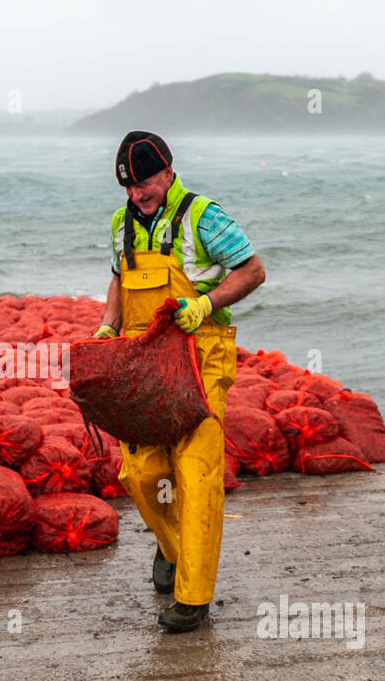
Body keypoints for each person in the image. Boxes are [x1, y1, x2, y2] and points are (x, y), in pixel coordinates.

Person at [94, 131, 265, 632]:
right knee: (142, 474)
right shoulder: (122, 222)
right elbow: (118, 276)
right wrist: (108, 324)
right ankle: (171, 548)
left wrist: (205, 303)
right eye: (127, 187)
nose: (136, 195)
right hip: (144, 365)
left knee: (196, 474)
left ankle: (193, 598)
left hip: (200, 359)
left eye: (144, 183)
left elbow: (253, 271)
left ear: (168, 171)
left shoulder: (203, 216)